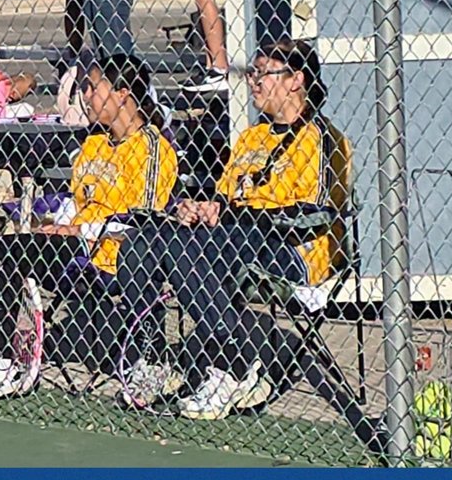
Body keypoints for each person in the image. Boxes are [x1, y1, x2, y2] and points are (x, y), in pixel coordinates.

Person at [113, 39, 382, 454]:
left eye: (264, 73)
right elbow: (226, 196)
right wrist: (202, 207)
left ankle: (233, 362)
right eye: (253, 73)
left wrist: (235, 216)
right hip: (237, 238)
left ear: (296, 80)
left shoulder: (323, 138)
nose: (253, 82)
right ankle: (154, 360)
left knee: (207, 242)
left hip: (296, 250)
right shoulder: (251, 137)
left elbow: (312, 211)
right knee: (146, 239)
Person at [0, 53, 179, 405]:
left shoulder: (153, 148)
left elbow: (143, 221)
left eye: (93, 87)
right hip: (71, 245)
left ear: (123, 93)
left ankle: (1, 363)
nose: (85, 95)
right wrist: (50, 220)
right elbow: (75, 202)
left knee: (6, 255)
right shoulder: (93, 144)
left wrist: (79, 231)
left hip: (111, 253)